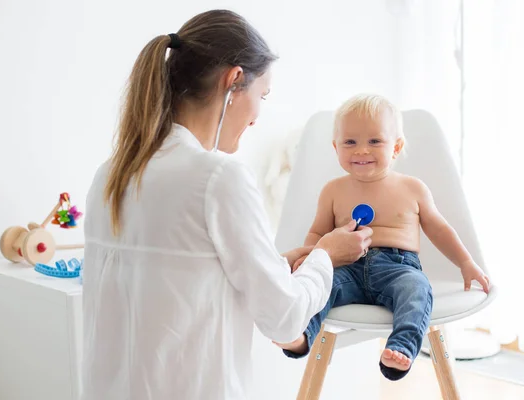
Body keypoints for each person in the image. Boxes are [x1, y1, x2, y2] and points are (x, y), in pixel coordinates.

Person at [80, 10, 373, 400]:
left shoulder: (111, 173)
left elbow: (173, 280)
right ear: (234, 81)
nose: (258, 115)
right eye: (262, 95)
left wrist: (272, 265)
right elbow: (284, 319)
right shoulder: (218, 178)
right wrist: (325, 256)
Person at [277, 93, 490, 381]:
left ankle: (401, 348)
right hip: (346, 267)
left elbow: (440, 229)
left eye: (374, 141)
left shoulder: (413, 188)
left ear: (396, 147)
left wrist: (465, 262)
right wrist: (309, 258)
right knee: (319, 288)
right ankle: (300, 333)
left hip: (398, 268)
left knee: (416, 290)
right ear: (335, 147)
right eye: (350, 142)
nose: (362, 150)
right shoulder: (333, 191)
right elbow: (318, 232)